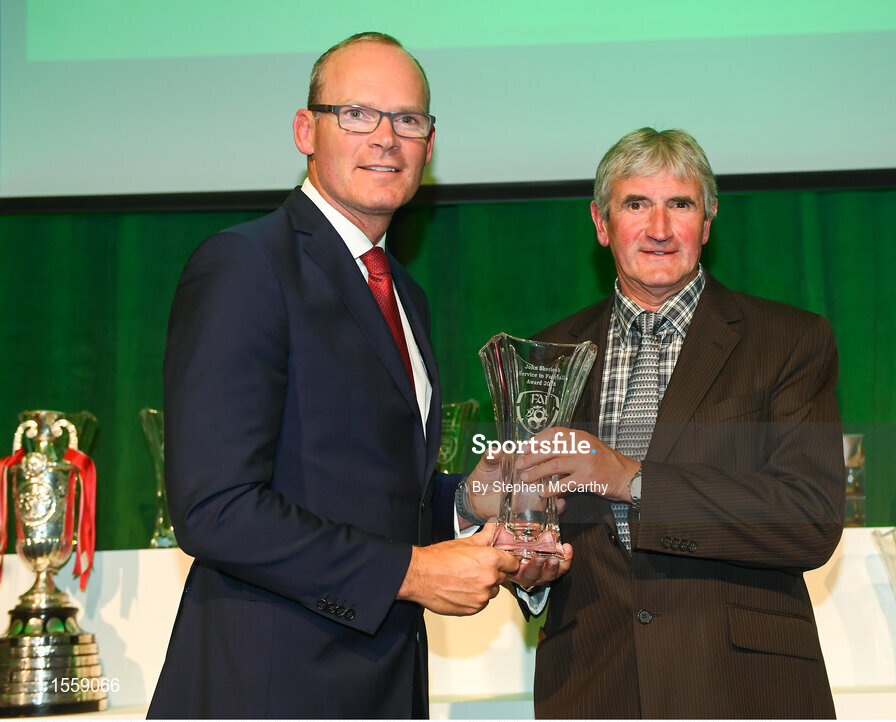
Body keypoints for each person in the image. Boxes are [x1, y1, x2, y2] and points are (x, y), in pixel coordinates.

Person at [147, 33, 525, 719]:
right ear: (305, 131)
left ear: (429, 145)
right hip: (268, 689)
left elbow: (367, 490)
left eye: (408, 119)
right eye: (357, 113)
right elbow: (215, 509)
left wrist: (471, 501)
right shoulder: (246, 264)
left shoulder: (404, 293)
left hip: (382, 686)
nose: (386, 137)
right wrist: (412, 572)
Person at [483, 128, 845, 718]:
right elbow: (531, 516)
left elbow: (809, 518)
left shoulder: (787, 341)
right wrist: (532, 570)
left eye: (680, 204)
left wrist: (631, 479)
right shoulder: (547, 354)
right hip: (591, 686)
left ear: (708, 221)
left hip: (742, 687)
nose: (659, 228)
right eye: (635, 204)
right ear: (601, 224)